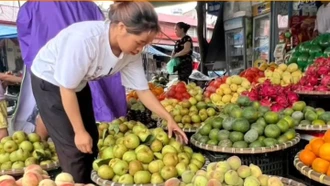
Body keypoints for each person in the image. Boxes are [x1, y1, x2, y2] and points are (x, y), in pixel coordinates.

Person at [30, 2, 188, 183]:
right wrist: (79, 131)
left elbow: (142, 91)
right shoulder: (85, 41)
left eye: (145, 44)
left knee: (92, 140)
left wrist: (168, 118)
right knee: (74, 146)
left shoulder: (131, 52)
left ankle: (90, 180)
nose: (141, 49)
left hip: (77, 84)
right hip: (50, 81)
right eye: (140, 42)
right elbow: (66, 89)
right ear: (121, 27)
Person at [16, 1, 127, 136]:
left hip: (58, 70)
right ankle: (46, 144)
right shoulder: (88, 7)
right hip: (54, 72)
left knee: (64, 117)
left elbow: (27, 38)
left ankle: (45, 145)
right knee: (66, 124)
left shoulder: (35, 5)